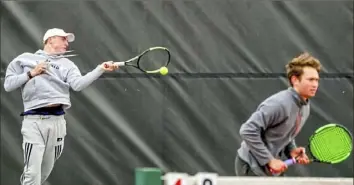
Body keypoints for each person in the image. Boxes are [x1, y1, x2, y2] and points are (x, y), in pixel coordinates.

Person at [3, 28, 119, 185]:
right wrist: (32, 73)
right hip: (34, 122)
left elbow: (78, 85)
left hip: (57, 123)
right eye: (63, 39)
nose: (67, 43)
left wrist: (100, 69)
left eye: (67, 41)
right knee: (32, 173)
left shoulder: (68, 64)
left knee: (43, 173)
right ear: (50, 40)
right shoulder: (24, 59)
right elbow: (8, 85)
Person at [235, 52, 322, 176]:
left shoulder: (305, 106)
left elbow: (286, 133)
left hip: (270, 167)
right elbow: (247, 130)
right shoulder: (279, 104)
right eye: (311, 80)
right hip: (251, 165)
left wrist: (291, 150)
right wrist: (269, 160)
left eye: (317, 80)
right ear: (295, 80)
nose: (315, 84)